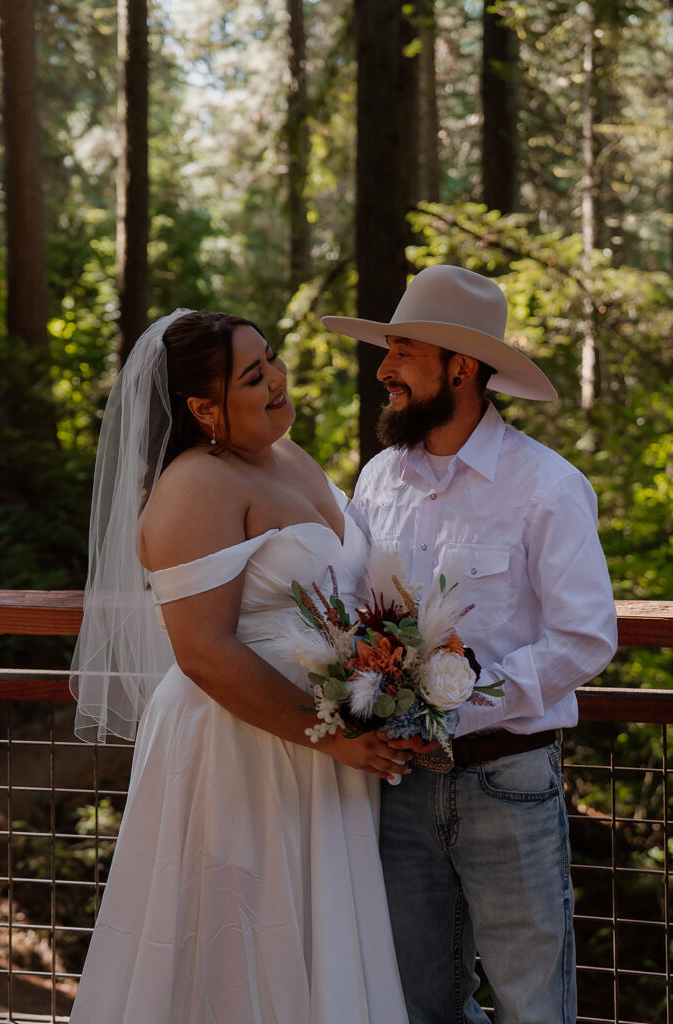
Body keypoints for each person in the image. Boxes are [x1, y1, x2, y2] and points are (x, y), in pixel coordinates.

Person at [68, 309, 411, 1024]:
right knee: (237, 948)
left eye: (273, 358)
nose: (278, 379)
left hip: (316, 748)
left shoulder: (290, 455)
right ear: (202, 408)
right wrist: (331, 736)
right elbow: (202, 651)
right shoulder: (195, 487)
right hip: (239, 749)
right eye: (253, 375)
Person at [322, 264, 618, 1024]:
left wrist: (455, 705)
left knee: (531, 1006)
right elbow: (352, 613)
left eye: (402, 351)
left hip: (507, 782)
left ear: (461, 367)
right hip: (394, 790)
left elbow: (585, 637)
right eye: (384, 350)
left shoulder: (546, 485)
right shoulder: (378, 479)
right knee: (417, 1005)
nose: (381, 370)